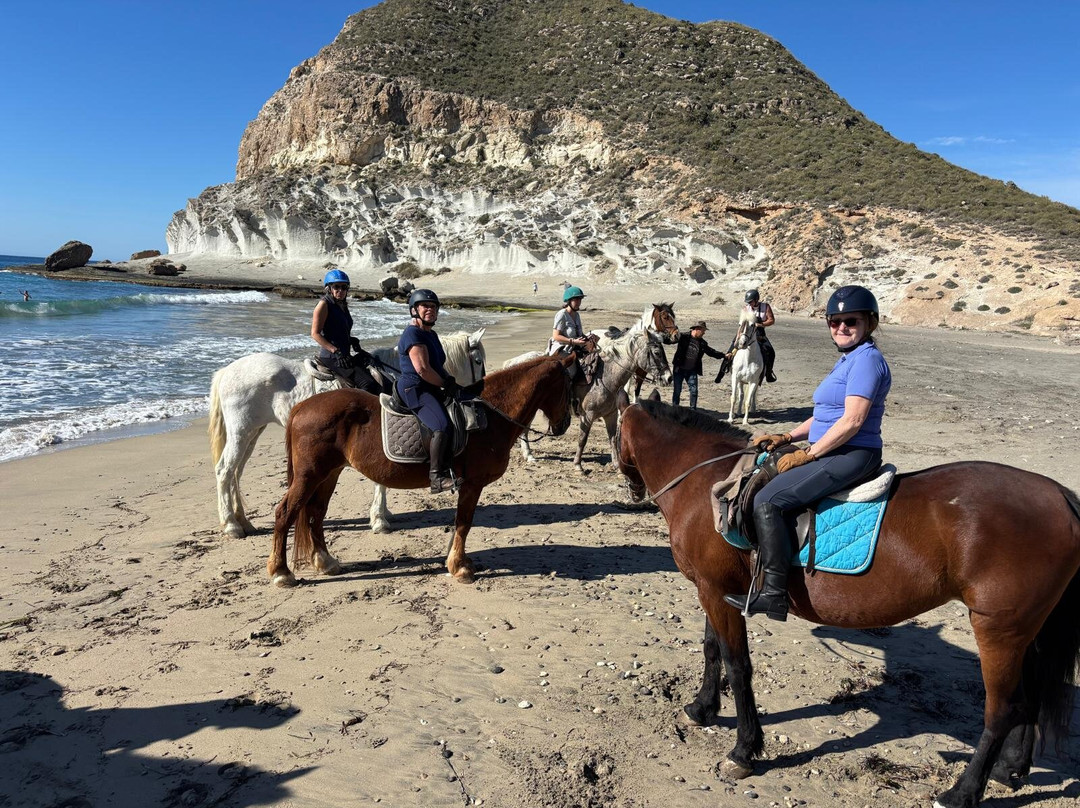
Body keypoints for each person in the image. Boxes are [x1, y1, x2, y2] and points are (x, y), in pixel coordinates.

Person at [724, 285, 891, 621]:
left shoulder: (867, 361)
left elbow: (853, 420)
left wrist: (809, 454)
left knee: (768, 500)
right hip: (835, 447)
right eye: (835, 321)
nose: (841, 327)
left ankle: (773, 594)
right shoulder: (849, 359)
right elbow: (825, 416)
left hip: (851, 453)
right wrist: (787, 435)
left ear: (869, 323)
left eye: (851, 321)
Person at [396, 288, 461, 493]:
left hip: (430, 385)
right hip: (415, 389)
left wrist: (449, 380)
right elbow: (423, 369)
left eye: (433, 307)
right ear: (414, 310)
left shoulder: (431, 334)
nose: (430, 310)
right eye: (425, 306)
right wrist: (444, 383)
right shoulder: (413, 333)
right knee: (441, 425)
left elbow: (437, 365)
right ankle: (436, 478)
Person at [310, 268, 381, 395]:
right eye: (336, 287)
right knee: (367, 384)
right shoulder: (324, 305)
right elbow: (315, 334)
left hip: (344, 355)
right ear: (329, 288)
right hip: (332, 357)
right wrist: (335, 351)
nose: (341, 290)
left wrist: (351, 340)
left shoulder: (342, 304)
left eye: (344, 287)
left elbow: (338, 330)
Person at [671, 321, 726, 410]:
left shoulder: (702, 343)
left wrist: (724, 355)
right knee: (677, 390)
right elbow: (670, 340)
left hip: (691, 370)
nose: (704, 333)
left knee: (694, 391)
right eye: (703, 331)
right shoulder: (683, 337)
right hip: (679, 369)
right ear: (697, 329)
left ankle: (693, 411)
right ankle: (674, 409)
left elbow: (711, 352)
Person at [743, 289, 777, 383]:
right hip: (747, 332)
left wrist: (761, 324)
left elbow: (771, 320)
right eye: (748, 302)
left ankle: (769, 373)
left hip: (760, 333)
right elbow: (742, 322)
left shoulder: (765, 307)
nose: (749, 303)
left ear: (756, 299)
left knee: (771, 352)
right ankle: (723, 369)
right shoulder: (746, 308)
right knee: (732, 348)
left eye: (751, 301)